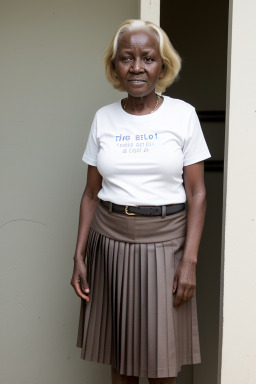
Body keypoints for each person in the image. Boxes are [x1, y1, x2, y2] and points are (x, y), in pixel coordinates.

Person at [70, 19, 211, 384]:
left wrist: (189, 262)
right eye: (126, 58)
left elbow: (197, 194)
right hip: (111, 246)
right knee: (121, 365)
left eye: (147, 58)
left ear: (161, 66)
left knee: (163, 367)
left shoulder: (182, 115)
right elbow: (90, 194)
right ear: (114, 65)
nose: (136, 67)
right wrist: (79, 255)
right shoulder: (104, 119)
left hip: (167, 246)